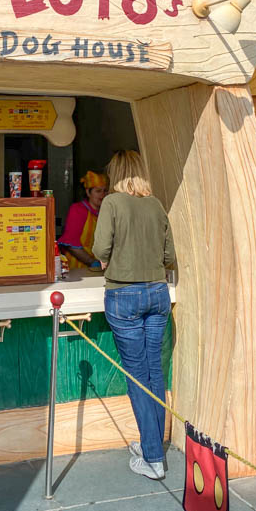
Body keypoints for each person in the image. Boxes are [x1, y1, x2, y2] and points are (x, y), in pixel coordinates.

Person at [92, 150, 175, 480]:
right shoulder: (156, 205)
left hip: (123, 296)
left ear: (116, 173)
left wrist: (111, 258)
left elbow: (99, 249)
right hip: (157, 294)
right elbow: (170, 255)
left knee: (137, 375)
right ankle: (151, 444)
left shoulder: (112, 203)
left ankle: (153, 457)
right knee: (154, 371)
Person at [57, 170, 108, 270]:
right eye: (98, 191)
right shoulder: (78, 210)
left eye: (105, 191)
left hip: (98, 269)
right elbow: (71, 245)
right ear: (88, 192)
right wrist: (92, 262)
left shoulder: (105, 212)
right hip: (77, 269)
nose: (102, 195)